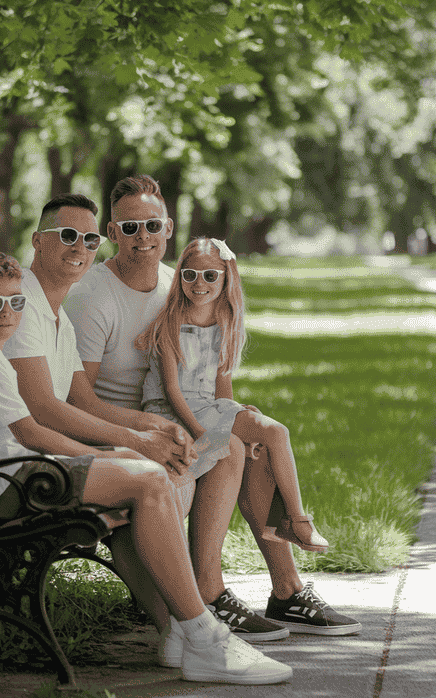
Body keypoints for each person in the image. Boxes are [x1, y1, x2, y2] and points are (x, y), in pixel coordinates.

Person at [0, 251, 294, 685]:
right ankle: (203, 634)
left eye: (15, 302)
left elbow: (49, 420)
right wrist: (104, 457)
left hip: (21, 475)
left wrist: (122, 447)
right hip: (9, 486)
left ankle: (175, 631)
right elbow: (31, 432)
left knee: (138, 482)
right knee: (147, 481)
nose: (7, 312)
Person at [64, 175, 362, 636]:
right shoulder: (94, 297)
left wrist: (233, 416)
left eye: (151, 225)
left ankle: (286, 591)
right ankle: (210, 590)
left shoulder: (179, 283)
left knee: (253, 445)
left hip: (172, 423)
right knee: (233, 448)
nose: (142, 237)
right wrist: (145, 430)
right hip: (119, 433)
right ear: (111, 233)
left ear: (168, 228)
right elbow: (78, 399)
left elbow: (206, 373)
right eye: (129, 228)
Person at [135, 236, 329, 552]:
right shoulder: (171, 322)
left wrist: (233, 410)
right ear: (180, 276)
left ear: (226, 278)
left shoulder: (226, 321)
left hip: (206, 407)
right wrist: (201, 432)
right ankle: (289, 524)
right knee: (247, 440)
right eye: (190, 275)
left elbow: (221, 382)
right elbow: (171, 390)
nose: (199, 283)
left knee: (274, 433)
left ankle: (295, 521)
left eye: (210, 275)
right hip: (171, 411)